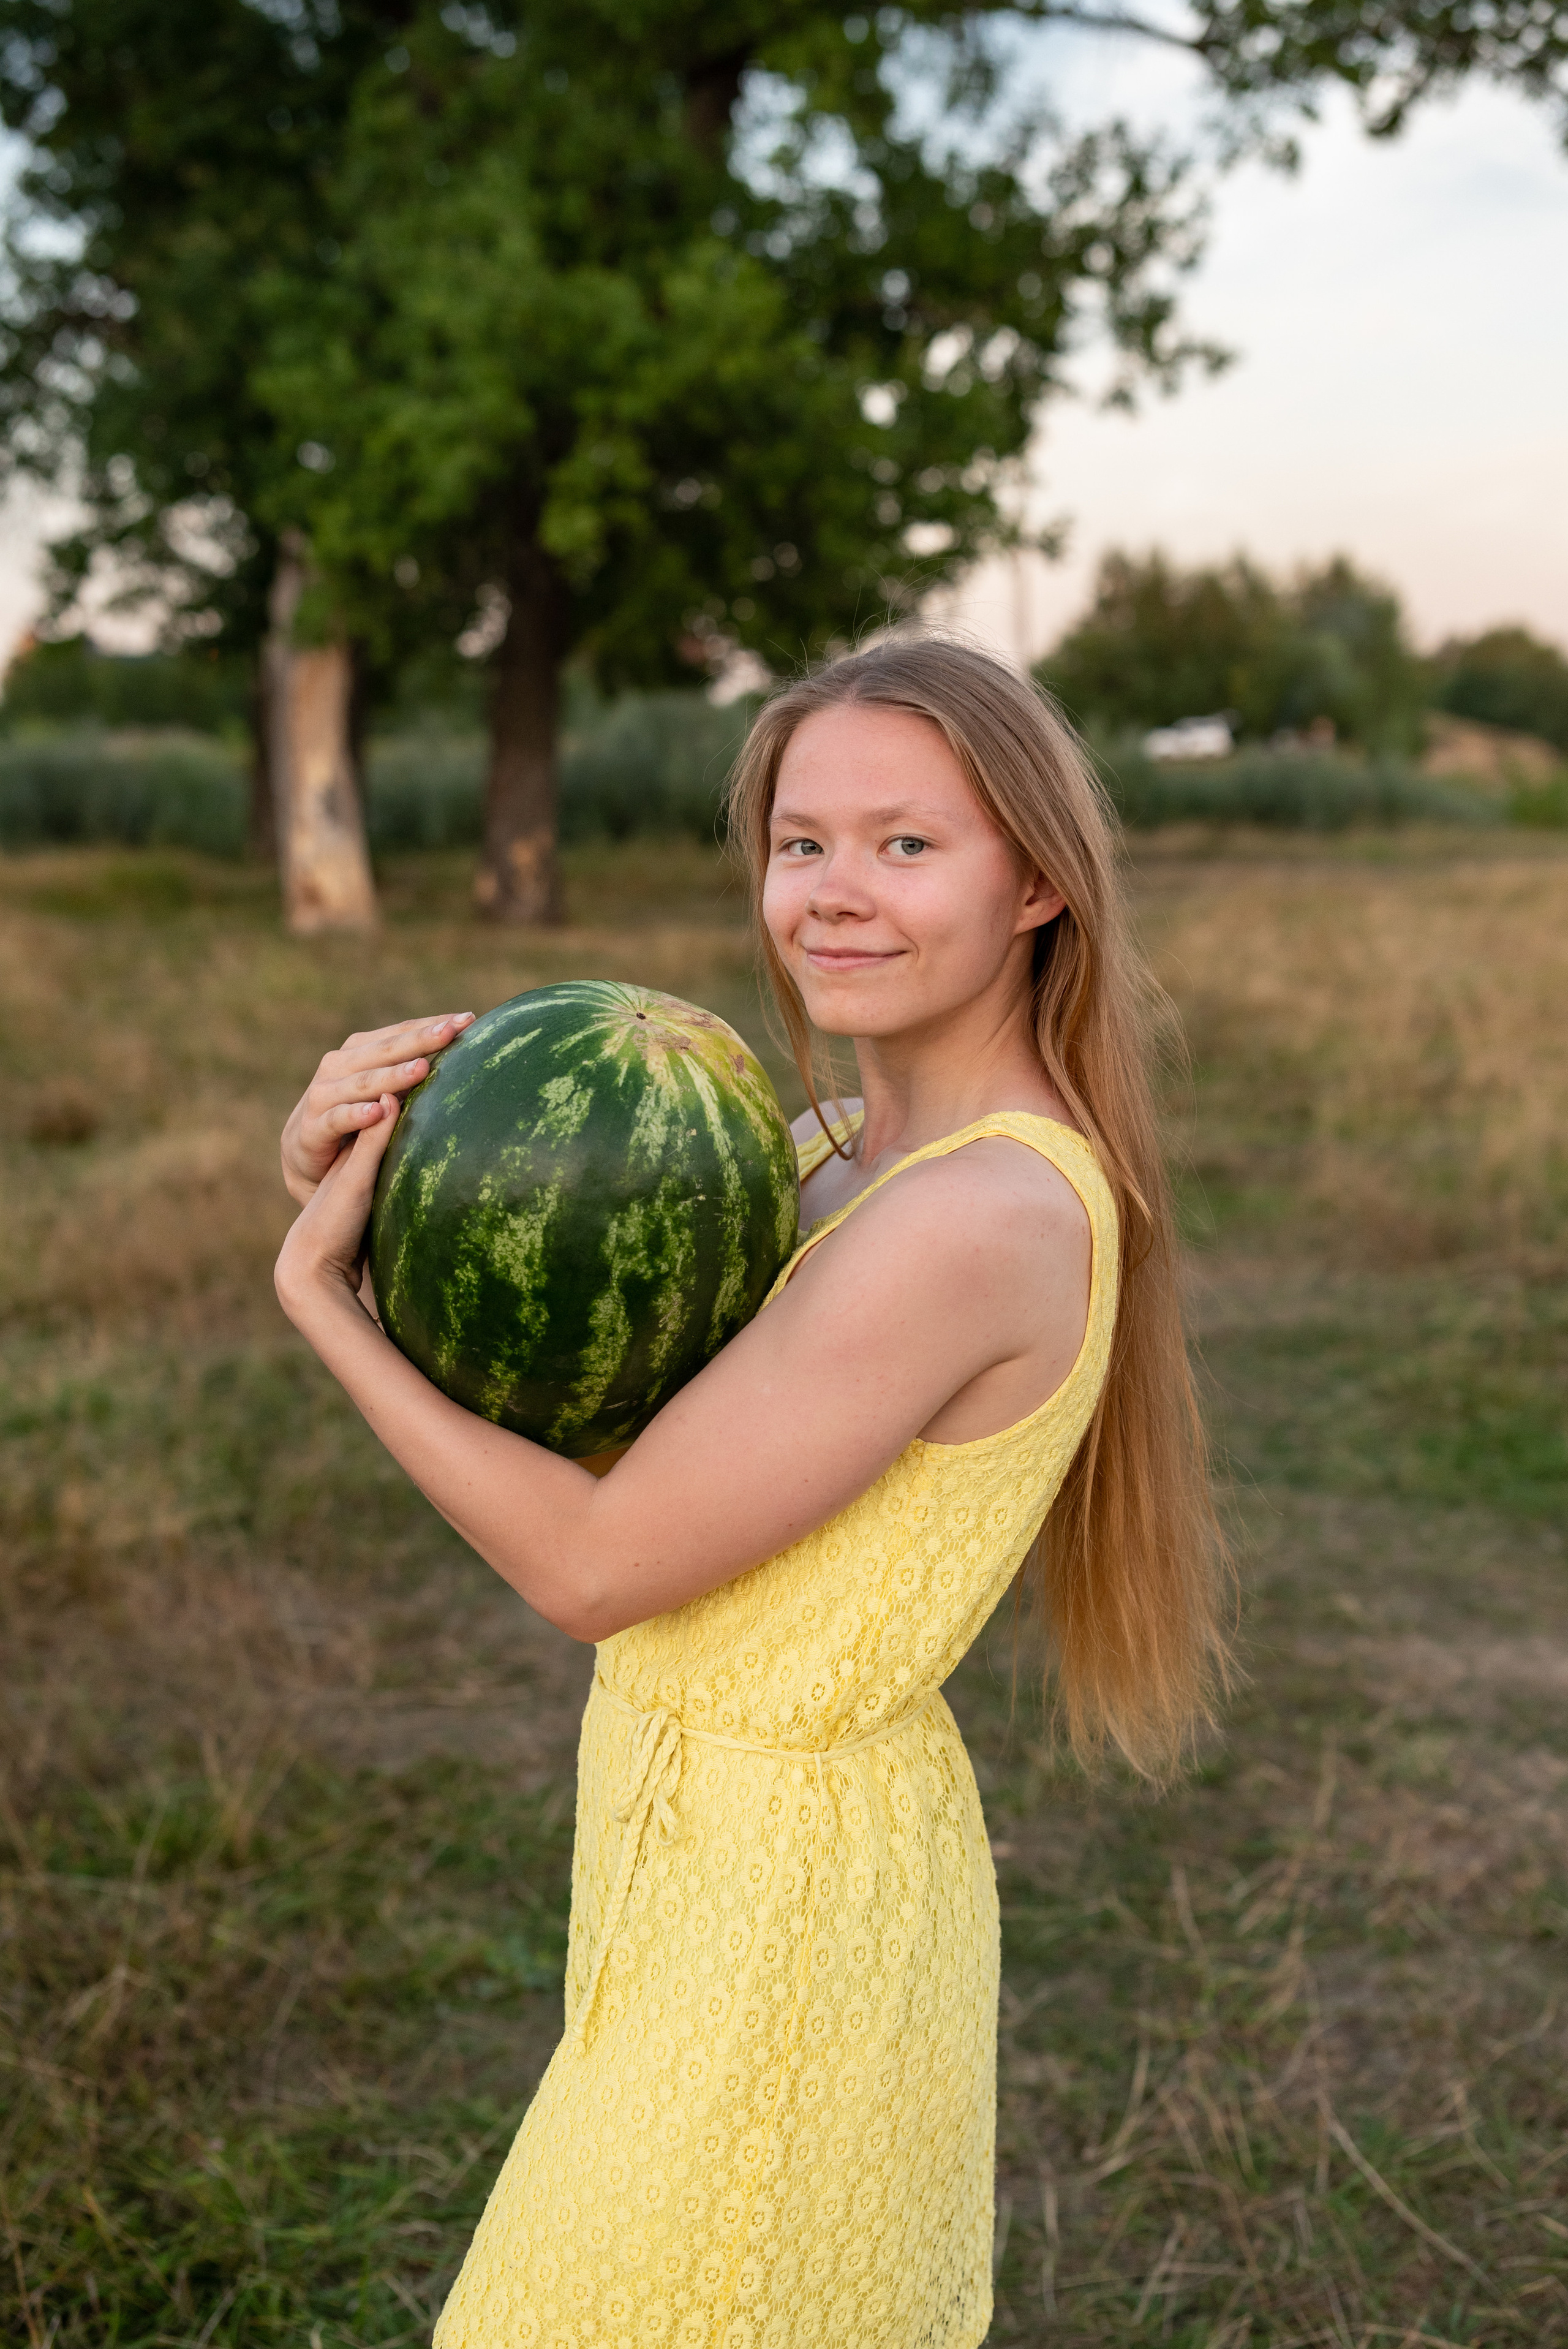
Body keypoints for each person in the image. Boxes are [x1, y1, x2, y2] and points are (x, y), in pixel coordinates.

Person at [275, 634, 1227, 2349]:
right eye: (803, 842)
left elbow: (591, 1560)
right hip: (696, 1856)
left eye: (906, 843)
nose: (834, 891)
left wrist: (320, 1302)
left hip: (785, 1927)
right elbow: (608, 1439)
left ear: (1035, 885)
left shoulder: (977, 1219)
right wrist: (390, 1197)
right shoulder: (820, 1156)